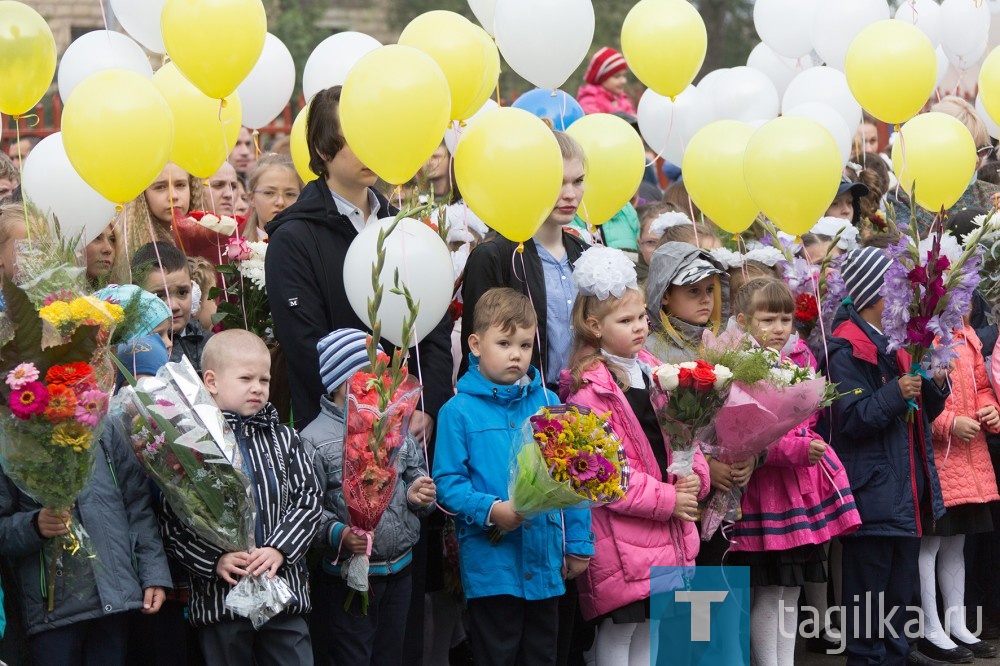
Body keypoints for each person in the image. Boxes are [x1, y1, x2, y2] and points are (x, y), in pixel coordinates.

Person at [265, 85, 452, 434]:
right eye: (356, 139)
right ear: (323, 148)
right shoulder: (294, 238)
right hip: (338, 434)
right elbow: (306, 345)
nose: (371, 149)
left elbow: (434, 325)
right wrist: (376, 411)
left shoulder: (403, 226)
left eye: (374, 136)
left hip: (413, 429)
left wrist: (428, 404)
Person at [560, 246, 708, 664]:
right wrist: (668, 499)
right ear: (594, 325)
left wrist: (694, 476)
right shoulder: (587, 392)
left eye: (642, 316)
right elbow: (599, 476)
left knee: (649, 632)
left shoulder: (656, 372)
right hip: (619, 539)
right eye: (625, 320)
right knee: (618, 634)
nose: (641, 327)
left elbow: (686, 434)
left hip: (663, 531)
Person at [433, 287, 594, 666]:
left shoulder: (549, 404)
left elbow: (573, 480)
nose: (515, 354)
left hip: (544, 561)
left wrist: (580, 543)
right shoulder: (458, 411)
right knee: (498, 654)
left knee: (542, 655)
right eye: (504, 343)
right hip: (493, 565)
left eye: (524, 344)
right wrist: (492, 511)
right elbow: (448, 484)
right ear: (475, 343)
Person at [158, 329, 322, 665]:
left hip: (282, 593)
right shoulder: (190, 445)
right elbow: (174, 519)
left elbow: (309, 499)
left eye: (264, 379)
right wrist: (214, 560)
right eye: (246, 378)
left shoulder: (285, 440)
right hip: (223, 600)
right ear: (212, 382)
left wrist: (280, 548)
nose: (258, 387)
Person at [826, 246, 950, 665]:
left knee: (901, 599)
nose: (908, 298)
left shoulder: (897, 344)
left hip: (904, 493)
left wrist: (936, 380)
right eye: (899, 289)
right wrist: (896, 392)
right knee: (867, 606)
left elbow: (924, 413)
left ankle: (898, 655)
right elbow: (852, 419)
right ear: (877, 296)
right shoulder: (846, 349)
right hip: (872, 495)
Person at [727, 278, 861, 666]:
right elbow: (744, 432)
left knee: (789, 589)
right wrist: (798, 447)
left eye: (785, 319)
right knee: (770, 589)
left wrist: (808, 432)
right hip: (764, 489)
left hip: (794, 488)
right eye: (767, 319)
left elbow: (806, 416)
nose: (779, 328)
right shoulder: (740, 367)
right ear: (742, 320)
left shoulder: (790, 362)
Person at [302, 328, 436, 665]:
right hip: (349, 577)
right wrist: (340, 534)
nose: (383, 386)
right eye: (371, 376)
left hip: (400, 569)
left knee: (391, 653)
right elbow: (307, 508)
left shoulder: (393, 425)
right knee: (352, 653)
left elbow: (412, 474)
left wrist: (420, 494)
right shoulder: (315, 441)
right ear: (342, 384)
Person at [0, 419, 172, 666]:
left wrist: (152, 572)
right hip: (52, 610)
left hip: (115, 597)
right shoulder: (11, 433)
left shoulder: (103, 425)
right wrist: (34, 526)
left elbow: (137, 506)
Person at [460, 131, 590, 387]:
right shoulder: (494, 256)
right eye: (558, 182)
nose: (570, 194)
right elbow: (475, 355)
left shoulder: (585, 254)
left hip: (585, 405)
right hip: (519, 410)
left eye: (578, 181)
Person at [916, 317, 1000, 662]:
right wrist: (949, 422)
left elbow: (982, 385)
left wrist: (992, 409)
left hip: (969, 454)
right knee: (931, 544)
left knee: (957, 541)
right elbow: (921, 396)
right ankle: (930, 626)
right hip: (940, 456)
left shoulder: (967, 337)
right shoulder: (924, 338)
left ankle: (956, 621)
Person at [892, 97, 1000, 236]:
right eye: (967, 149)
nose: (977, 160)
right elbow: (905, 250)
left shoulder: (992, 195)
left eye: (982, 150)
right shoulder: (903, 198)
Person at [113, 163, 203, 283]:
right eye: (160, 187)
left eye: (180, 185)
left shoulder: (207, 238)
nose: (173, 196)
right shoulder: (125, 249)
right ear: (142, 194)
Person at [131, 243, 212, 375]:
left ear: (193, 289)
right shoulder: (132, 353)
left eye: (182, 292)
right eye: (159, 296)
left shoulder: (211, 346)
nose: (173, 306)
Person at [245, 153, 301, 242]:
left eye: (290, 194)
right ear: (252, 198)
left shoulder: (311, 247)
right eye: (269, 193)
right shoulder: (237, 250)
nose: (280, 202)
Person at [576, 47, 636, 115]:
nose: (623, 81)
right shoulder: (590, 100)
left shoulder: (622, 99)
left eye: (624, 75)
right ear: (602, 78)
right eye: (617, 76)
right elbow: (594, 122)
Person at [85, 223, 117, 287]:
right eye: (97, 237)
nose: (109, 249)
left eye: (112, 240)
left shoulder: (125, 293)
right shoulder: (61, 294)